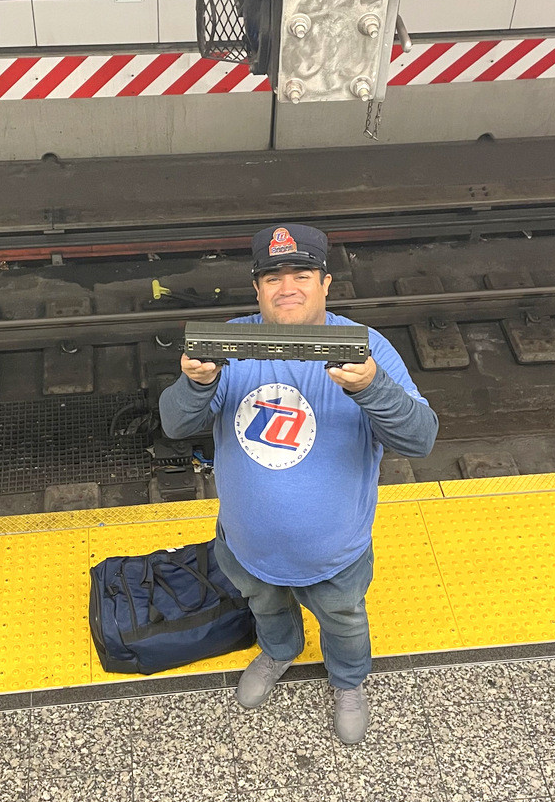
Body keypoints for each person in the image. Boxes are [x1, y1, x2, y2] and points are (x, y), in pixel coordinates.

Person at [158, 222, 438, 744]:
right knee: (264, 604)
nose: (287, 286)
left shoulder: (367, 349)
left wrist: (373, 387)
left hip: (337, 553)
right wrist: (196, 384)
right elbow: (174, 423)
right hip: (247, 546)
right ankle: (280, 651)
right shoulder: (231, 345)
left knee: (345, 619)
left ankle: (349, 681)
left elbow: (421, 439)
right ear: (257, 287)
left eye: (302, 273)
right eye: (272, 276)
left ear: (326, 283)